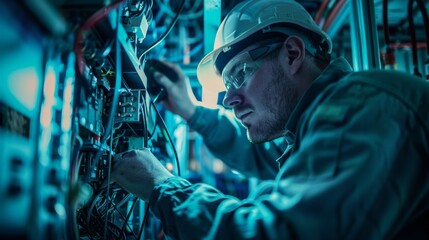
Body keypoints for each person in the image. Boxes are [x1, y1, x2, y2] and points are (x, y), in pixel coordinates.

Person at [111, 0, 429, 239]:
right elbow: (257, 153)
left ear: (292, 54)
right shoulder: (315, 121)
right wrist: (192, 111)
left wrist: (162, 186)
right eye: (227, 85)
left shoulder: (360, 107)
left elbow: (280, 234)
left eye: (239, 75)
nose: (230, 99)